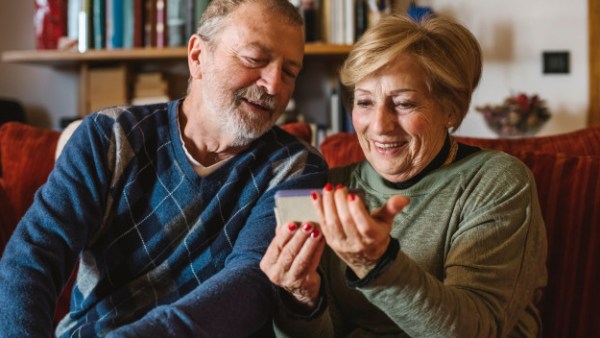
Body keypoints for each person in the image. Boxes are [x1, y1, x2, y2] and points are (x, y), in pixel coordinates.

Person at [0, 0, 328, 337]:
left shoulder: (299, 169)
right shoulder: (109, 136)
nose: (274, 85)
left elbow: (249, 285)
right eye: (255, 59)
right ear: (198, 56)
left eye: (290, 72)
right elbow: (33, 258)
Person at [260, 14, 547, 338]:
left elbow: (476, 329)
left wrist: (377, 264)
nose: (380, 125)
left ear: (451, 109)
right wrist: (302, 301)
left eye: (404, 103)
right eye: (365, 101)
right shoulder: (335, 187)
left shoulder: (495, 182)